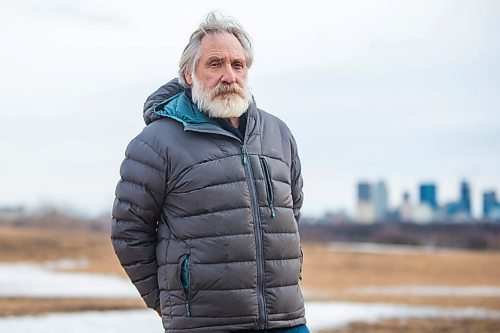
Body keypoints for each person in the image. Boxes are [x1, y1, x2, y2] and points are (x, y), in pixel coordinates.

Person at [111, 12, 308, 333]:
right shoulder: (157, 142)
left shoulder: (278, 133)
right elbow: (129, 231)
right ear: (189, 74)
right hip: (204, 324)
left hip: (286, 320)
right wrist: (173, 301)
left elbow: (291, 213)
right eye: (215, 64)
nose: (229, 75)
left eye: (238, 65)